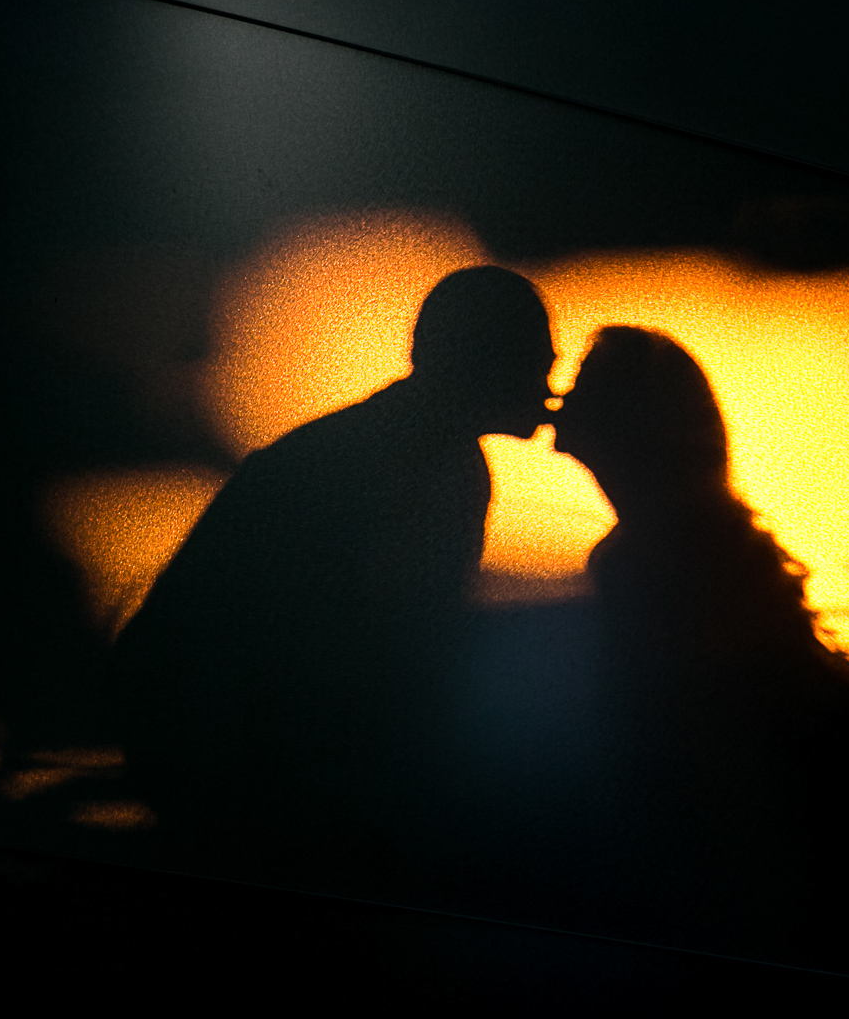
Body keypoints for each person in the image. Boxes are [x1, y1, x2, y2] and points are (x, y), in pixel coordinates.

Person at [113, 266, 556, 885]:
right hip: (241, 777)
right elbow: (381, 664)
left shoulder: (410, 455)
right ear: (486, 360)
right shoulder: (427, 470)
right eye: (537, 356)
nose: (549, 379)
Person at [550, 325, 849, 967]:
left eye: (586, 385)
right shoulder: (694, 540)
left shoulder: (641, 560)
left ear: (625, 421)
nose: (561, 395)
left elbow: (663, 747)